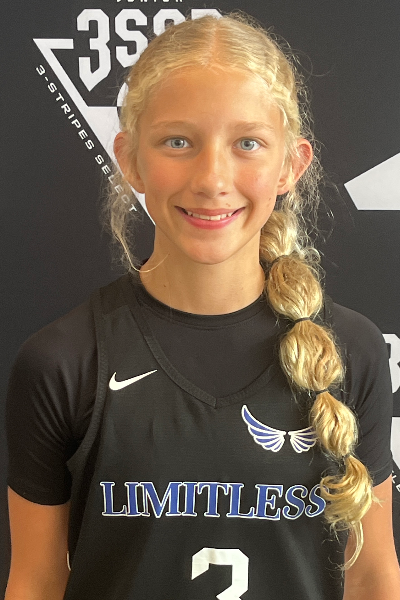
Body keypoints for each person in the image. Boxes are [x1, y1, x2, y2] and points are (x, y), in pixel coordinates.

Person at [5, 11, 400, 600]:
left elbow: (371, 573)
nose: (212, 179)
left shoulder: (349, 351)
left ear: (291, 165)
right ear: (130, 159)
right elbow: (36, 581)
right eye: (178, 142)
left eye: (247, 144)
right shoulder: (63, 361)